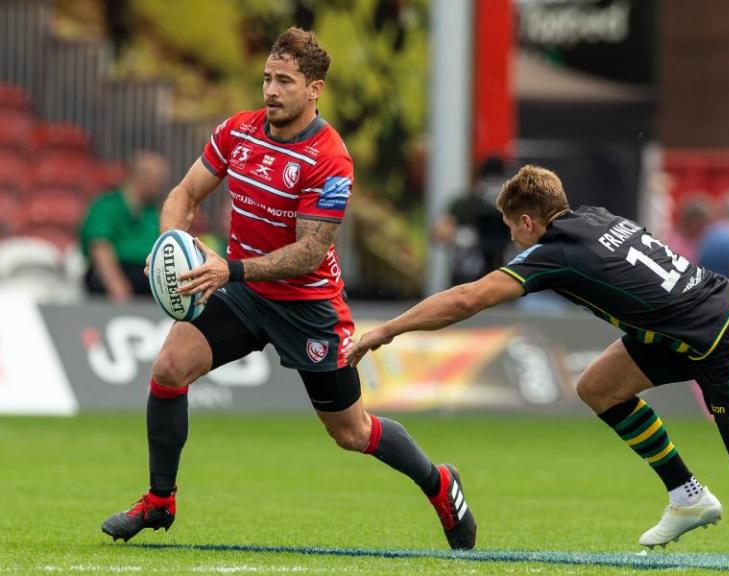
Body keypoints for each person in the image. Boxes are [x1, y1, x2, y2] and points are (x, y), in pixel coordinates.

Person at [346, 165, 729, 566]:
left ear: (529, 222)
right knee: (598, 386)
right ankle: (687, 494)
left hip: (728, 340)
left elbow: (468, 298)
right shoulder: (597, 216)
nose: (515, 243)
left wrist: (389, 329)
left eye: (513, 231)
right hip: (688, 326)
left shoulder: (552, 252)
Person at [100, 27, 476, 550]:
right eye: (266, 79)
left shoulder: (330, 158)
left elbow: (310, 252)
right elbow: (185, 192)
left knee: (351, 432)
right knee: (168, 369)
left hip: (308, 306)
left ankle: (438, 483)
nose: (271, 91)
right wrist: (168, 243)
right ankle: (160, 501)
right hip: (244, 294)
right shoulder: (238, 132)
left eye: (284, 81)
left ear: (314, 89)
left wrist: (229, 269)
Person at [79, 151, 168, 301]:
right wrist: (115, 283)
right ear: (139, 176)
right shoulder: (106, 206)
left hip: (149, 278)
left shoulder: (155, 213)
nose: (161, 184)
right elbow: (99, 245)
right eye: (157, 178)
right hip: (116, 277)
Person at [431, 156, 512, 285]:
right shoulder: (464, 204)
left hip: (504, 281)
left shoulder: (514, 207)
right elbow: (439, 234)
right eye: (488, 182)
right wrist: (463, 237)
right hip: (468, 279)